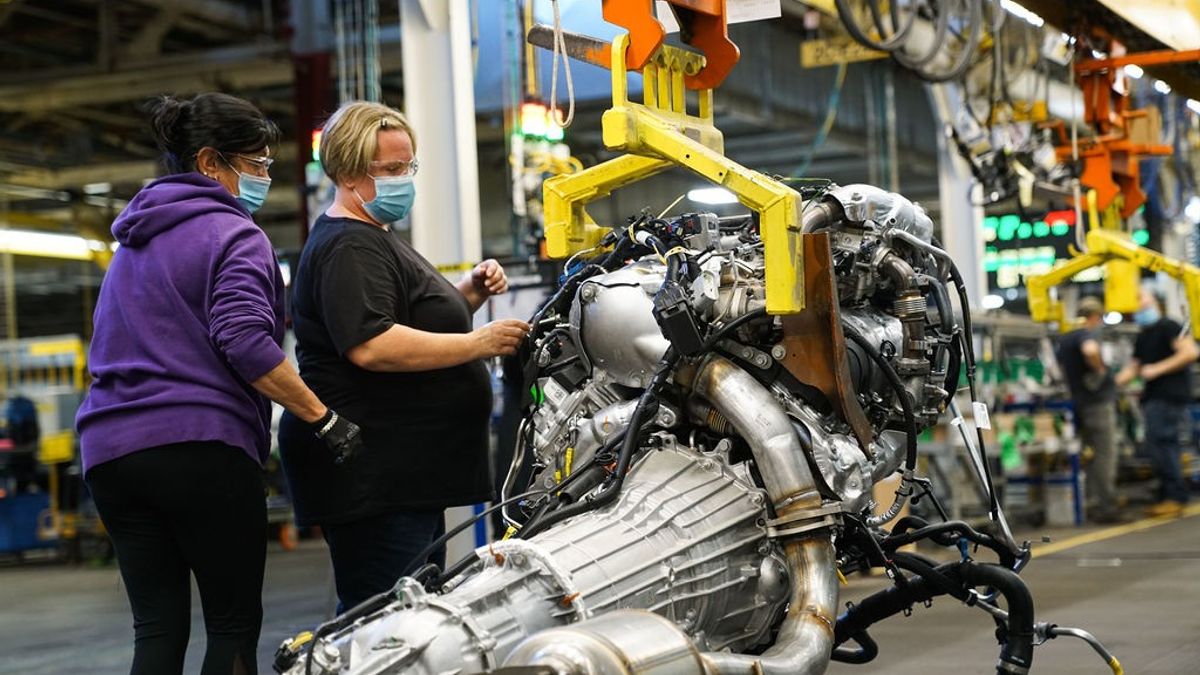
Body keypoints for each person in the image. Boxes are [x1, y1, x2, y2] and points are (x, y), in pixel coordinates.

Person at [76, 92, 363, 675]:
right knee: (232, 625)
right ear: (211, 163)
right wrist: (323, 417)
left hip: (110, 455)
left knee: (156, 630)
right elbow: (245, 343)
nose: (262, 177)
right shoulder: (235, 235)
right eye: (255, 165)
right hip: (199, 448)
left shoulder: (131, 244)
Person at [278, 101, 529, 613]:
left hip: (402, 476)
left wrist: (468, 293)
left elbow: (407, 318)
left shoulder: (374, 236)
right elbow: (371, 344)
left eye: (407, 167)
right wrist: (477, 343)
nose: (403, 180)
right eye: (391, 170)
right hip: (375, 477)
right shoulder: (349, 245)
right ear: (348, 174)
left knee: (414, 615)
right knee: (391, 624)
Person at [1116, 288, 1199, 518]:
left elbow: (1190, 352)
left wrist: (1157, 369)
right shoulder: (1144, 334)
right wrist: (1109, 384)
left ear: (1156, 303)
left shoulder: (1169, 326)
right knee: (1156, 446)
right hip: (1154, 398)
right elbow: (1133, 367)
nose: (1138, 304)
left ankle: (1175, 496)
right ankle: (1166, 494)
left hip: (1169, 396)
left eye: (1142, 299)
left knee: (1164, 444)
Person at [1056, 297, 1123, 523]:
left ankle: (1092, 502)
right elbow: (1091, 351)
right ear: (1095, 317)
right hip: (1097, 404)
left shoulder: (1065, 339)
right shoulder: (1085, 335)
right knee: (1105, 453)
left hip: (1079, 403)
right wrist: (1101, 370)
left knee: (1089, 455)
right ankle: (1106, 506)